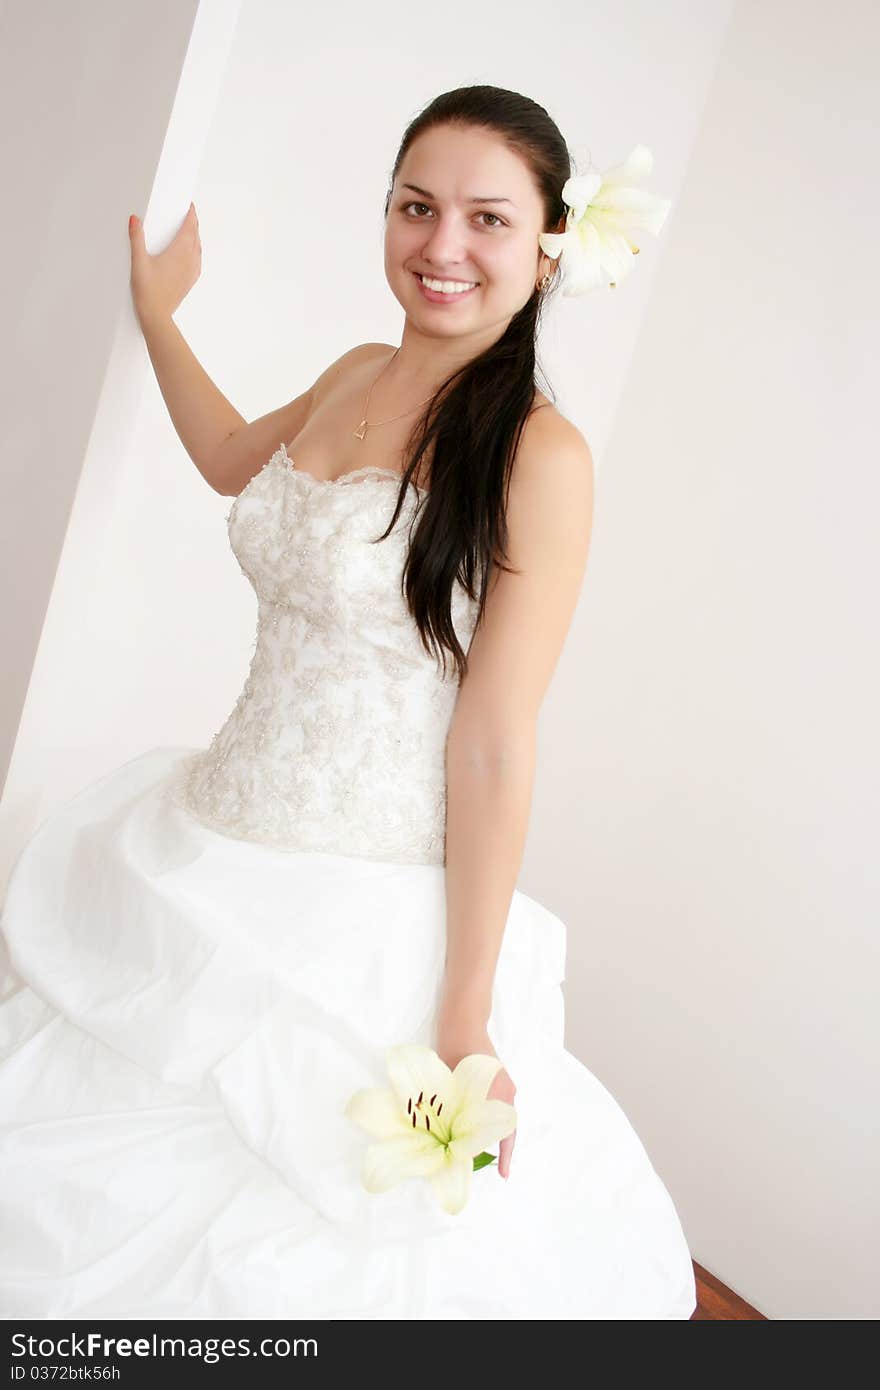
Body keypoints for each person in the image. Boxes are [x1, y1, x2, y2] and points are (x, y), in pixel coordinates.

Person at [0, 85, 696, 1319]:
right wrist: (163, 317)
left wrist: (466, 1012)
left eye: (487, 218)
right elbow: (231, 462)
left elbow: (492, 743)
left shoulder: (541, 456)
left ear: (549, 244)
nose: (442, 246)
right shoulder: (355, 369)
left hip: (357, 891)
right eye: (417, 206)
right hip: (206, 833)